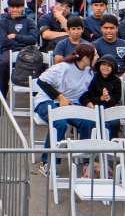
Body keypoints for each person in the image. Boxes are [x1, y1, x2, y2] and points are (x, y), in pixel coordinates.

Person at [32, 42, 97, 172]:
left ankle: (87, 161)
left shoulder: (89, 72)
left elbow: (82, 93)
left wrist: (89, 105)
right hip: (47, 101)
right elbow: (41, 81)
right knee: (59, 123)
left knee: (88, 122)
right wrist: (60, 97)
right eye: (95, 55)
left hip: (71, 104)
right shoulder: (63, 68)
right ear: (86, 58)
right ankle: (47, 161)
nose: (97, 57)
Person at [0, 0, 38, 94]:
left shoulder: (29, 21)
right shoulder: (3, 22)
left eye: (18, 7)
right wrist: (24, 39)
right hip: (8, 50)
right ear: (9, 8)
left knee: (39, 62)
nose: (15, 10)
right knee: (3, 63)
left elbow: (33, 40)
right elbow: (4, 42)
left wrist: (15, 36)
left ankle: (36, 96)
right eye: (13, 7)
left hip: (28, 50)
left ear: (22, 7)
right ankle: (1, 95)